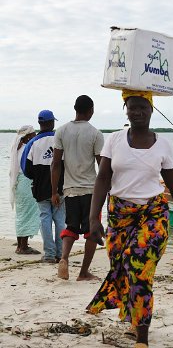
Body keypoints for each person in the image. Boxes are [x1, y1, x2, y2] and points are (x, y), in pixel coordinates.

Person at [86, 89, 173, 348]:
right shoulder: (114, 140)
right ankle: (134, 321)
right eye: (131, 107)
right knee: (122, 269)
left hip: (153, 214)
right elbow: (102, 179)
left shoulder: (163, 145)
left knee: (138, 267)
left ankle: (143, 338)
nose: (136, 112)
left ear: (151, 110)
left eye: (142, 107)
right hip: (120, 216)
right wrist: (94, 219)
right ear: (125, 109)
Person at [51, 95, 104, 281]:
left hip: (69, 189)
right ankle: (83, 272)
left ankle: (64, 259)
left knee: (71, 227)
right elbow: (101, 166)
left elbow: (56, 164)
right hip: (91, 190)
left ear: (75, 109)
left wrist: (54, 192)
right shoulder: (95, 133)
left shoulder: (61, 131)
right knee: (92, 230)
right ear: (91, 111)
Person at [21, 110, 64, 263]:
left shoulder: (33, 143)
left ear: (40, 123)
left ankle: (49, 255)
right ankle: (60, 254)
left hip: (40, 188)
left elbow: (25, 168)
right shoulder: (60, 139)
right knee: (60, 219)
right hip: (60, 187)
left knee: (45, 218)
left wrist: (37, 178)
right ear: (52, 122)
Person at [9, 125, 41, 255]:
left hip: (19, 183)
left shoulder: (17, 149)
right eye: (33, 134)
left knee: (21, 214)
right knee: (28, 213)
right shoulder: (26, 149)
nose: (35, 136)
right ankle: (23, 246)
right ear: (28, 136)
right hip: (27, 183)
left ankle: (21, 244)